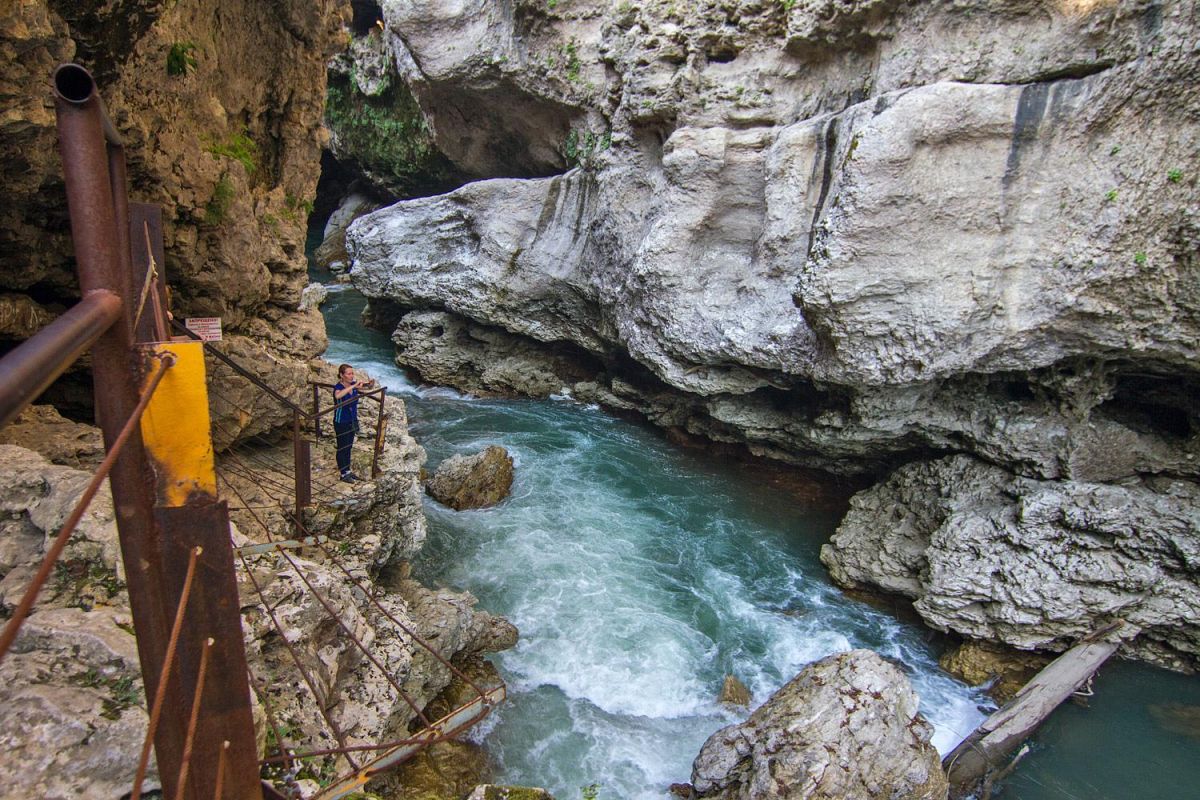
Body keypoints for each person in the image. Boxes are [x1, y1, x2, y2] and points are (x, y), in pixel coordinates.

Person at [332, 363, 373, 483]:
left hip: (352, 420)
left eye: (352, 373)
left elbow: (367, 388)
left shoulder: (353, 385)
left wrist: (369, 384)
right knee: (342, 447)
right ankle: (343, 473)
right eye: (349, 374)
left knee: (349, 446)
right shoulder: (338, 387)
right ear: (341, 375)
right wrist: (354, 386)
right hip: (341, 421)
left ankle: (348, 471)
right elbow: (338, 395)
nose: (351, 376)